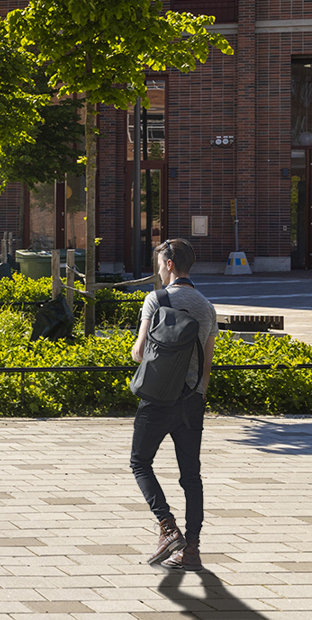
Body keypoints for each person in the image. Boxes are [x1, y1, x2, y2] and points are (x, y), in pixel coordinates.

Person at [130, 238, 217, 571]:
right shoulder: (207, 307)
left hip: (157, 399)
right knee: (191, 477)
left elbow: (139, 351)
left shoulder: (156, 299)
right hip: (192, 400)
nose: (157, 267)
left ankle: (167, 526)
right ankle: (191, 551)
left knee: (140, 462)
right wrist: (198, 394)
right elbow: (207, 364)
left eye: (159, 261)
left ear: (169, 264)